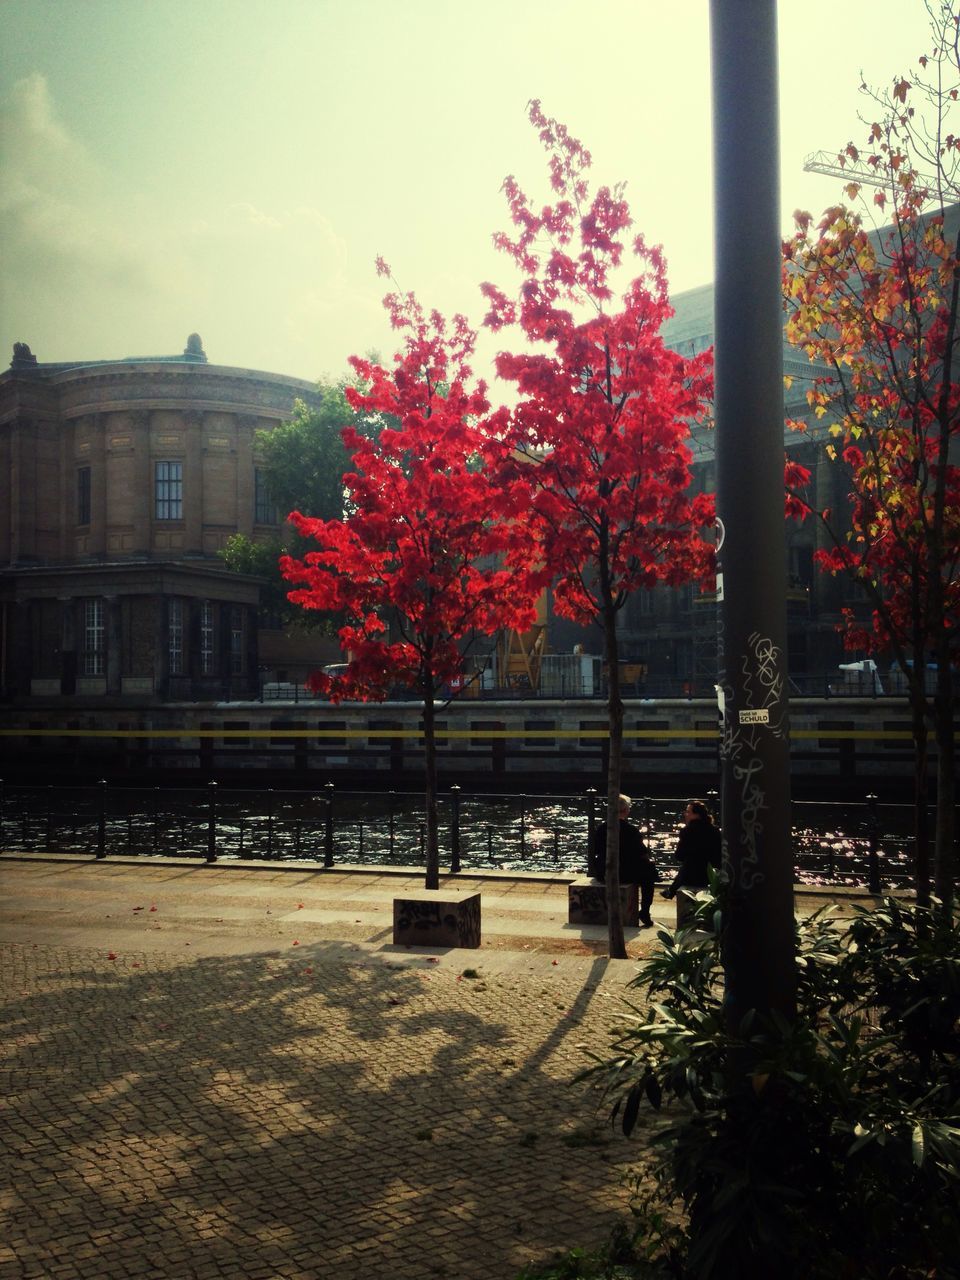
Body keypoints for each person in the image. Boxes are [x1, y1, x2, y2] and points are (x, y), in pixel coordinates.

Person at [589, 794, 657, 927]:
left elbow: (595, 850)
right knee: (649, 874)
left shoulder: (602, 828)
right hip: (626, 872)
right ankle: (645, 911)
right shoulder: (631, 830)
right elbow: (642, 852)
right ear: (626, 811)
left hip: (604, 870)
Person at [661, 799, 721, 898]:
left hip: (692, 876)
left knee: (690, 862)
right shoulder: (715, 831)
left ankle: (671, 890)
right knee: (694, 861)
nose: (685, 814)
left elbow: (679, 856)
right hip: (711, 874)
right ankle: (671, 890)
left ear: (696, 815)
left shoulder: (687, 831)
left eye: (688, 812)